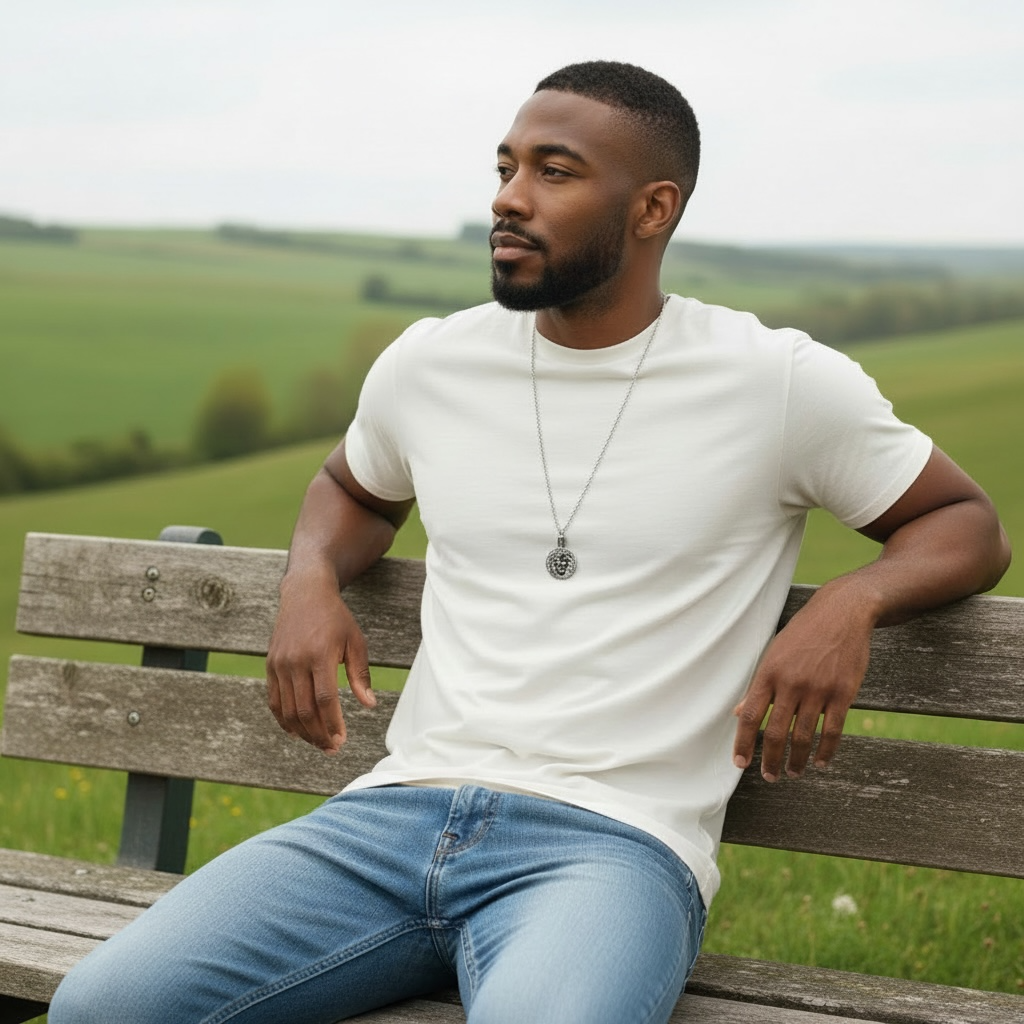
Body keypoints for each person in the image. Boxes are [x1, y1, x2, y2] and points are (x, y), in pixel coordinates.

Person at [50, 60, 1010, 1024]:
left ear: (652, 209)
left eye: (554, 172)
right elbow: (351, 486)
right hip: (389, 818)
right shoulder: (433, 362)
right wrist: (310, 576)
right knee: (104, 1008)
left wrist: (854, 600)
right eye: (505, 167)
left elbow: (963, 523)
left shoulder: (778, 382)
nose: (508, 199)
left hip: (609, 848)